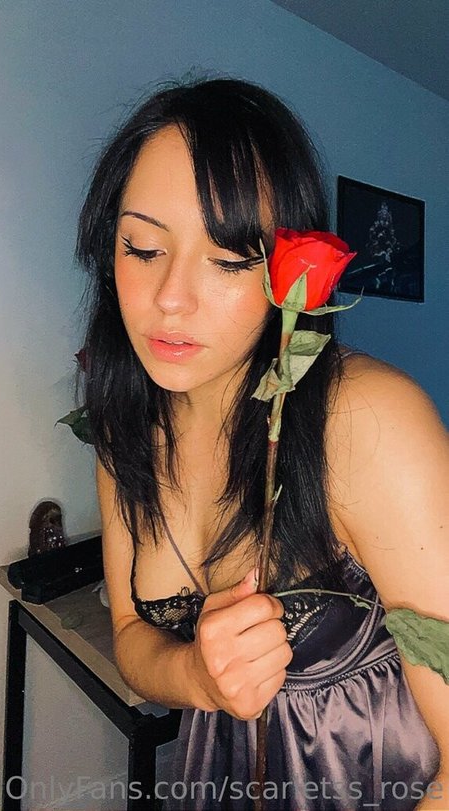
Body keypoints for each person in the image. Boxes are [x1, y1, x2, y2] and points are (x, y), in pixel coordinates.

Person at [76, 77, 448, 810]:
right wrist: (199, 677)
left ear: (284, 272)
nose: (171, 297)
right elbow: (129, 633)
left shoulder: (364, 421)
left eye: (229, 259)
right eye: (143, 247)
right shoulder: (126, 429)